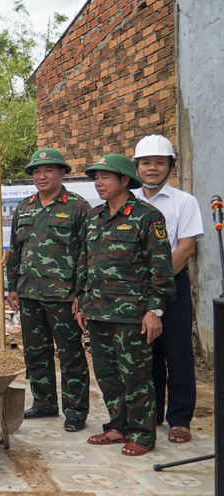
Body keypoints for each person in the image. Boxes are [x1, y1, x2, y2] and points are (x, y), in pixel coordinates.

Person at [76, 154, 175, 456]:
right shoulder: (94, 216)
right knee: (106, 374)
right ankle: (118, 425)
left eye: (105, 177)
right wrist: (81, 300)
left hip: (132, 313)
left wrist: (154, 311)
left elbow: (161, 268)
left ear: (123, 180)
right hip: (97, 311)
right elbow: (85, 260)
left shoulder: (147, 216)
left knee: (136, 376)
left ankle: (144, 434)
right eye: (96, 177)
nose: (99, 183)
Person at [6, 149, 92, 432]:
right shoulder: (24, 207)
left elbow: (86, 253)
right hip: (30, 293)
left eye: (48, 171)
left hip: (63, 295)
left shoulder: (78, 207)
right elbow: (15, 250)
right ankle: (44, 403)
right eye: (36, 172)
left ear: (62, 173)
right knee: (35, 352)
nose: (41, 176)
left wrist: (80, 294)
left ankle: (76, 411)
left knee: (70, 354)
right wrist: (13, 287)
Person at [132, 135, 203, 444]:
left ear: (170, 167)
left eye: (159, 163)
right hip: (134, 291)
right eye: (146, 163)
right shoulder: (129, 202)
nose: (152, 168)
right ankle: (152, 413)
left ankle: (179, 418)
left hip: (172, 286)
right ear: (136, 167)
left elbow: (186, 248)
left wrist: (156, 283)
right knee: (145, 355)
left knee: (177, 353)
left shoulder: (184, 202)